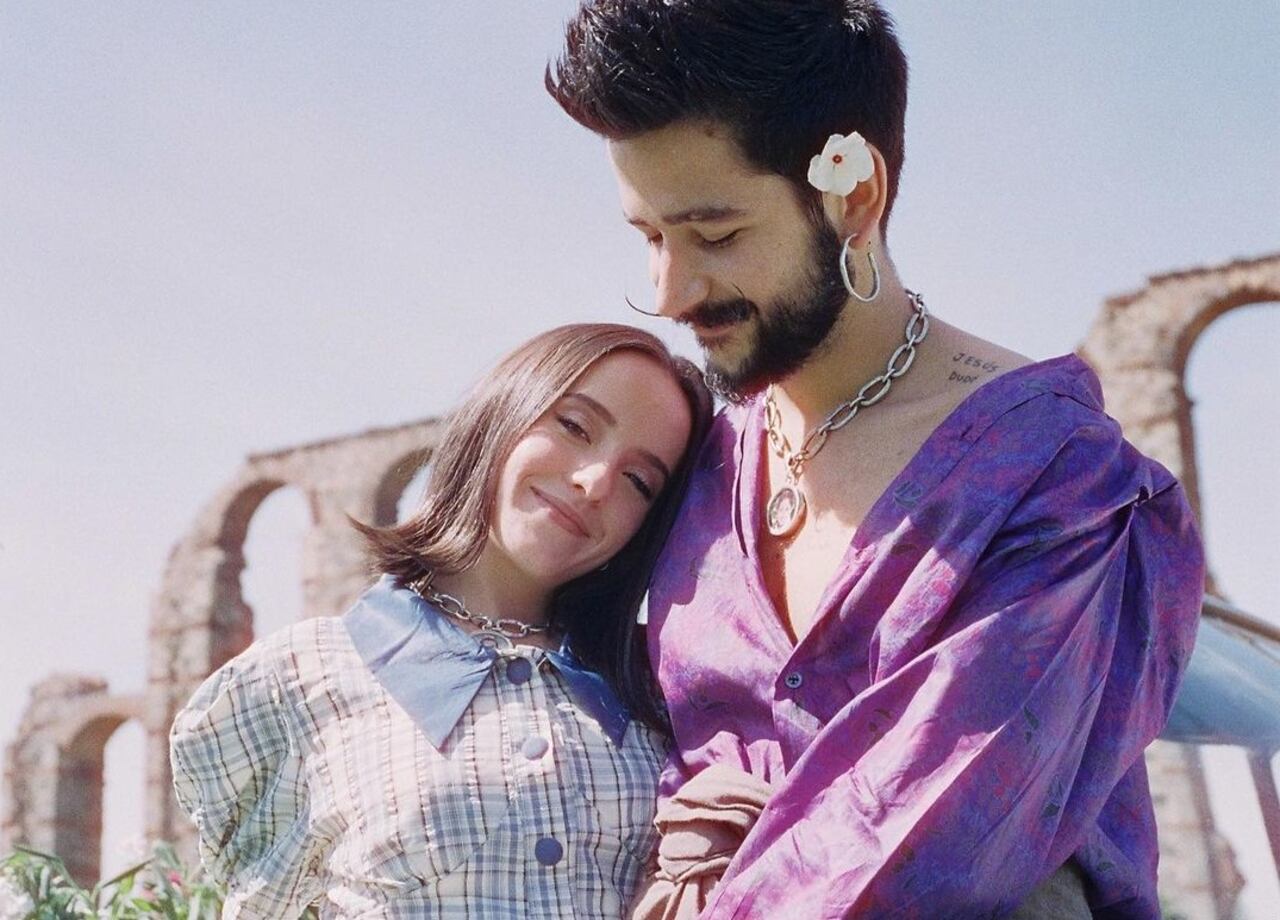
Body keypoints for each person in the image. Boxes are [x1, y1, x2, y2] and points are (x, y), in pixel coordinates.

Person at [547, 2, 1205, 917]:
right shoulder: (691, 460)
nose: (669, 292)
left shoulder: (1059, 480)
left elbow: (916, 845)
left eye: (717, 235)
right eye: (651, 236)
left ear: (852, 196)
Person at [169, 323, 713, 918]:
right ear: (503, 412)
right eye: (575, 426)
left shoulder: (664, 688)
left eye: (639, 481)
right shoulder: (300, 679)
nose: (594, 481)